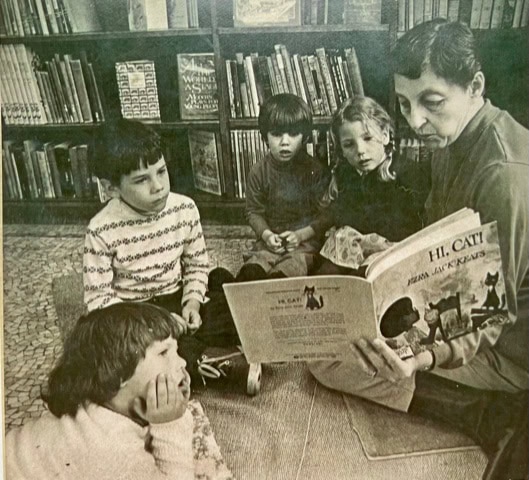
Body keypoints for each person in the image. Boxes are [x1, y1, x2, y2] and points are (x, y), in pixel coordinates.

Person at [308, 19, 528, 479]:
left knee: (332, 360)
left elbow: (493, 314)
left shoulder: (504, 174)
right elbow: (441, 245)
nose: (415, 121)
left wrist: (420, 358)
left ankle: (483, 412)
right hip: (462, 310)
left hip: (510, 348)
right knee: (328, 342)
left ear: (475, 85)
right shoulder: (452, 140)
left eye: (431, 103)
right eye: (405, 104)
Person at [83, 119, 241, 385]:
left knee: (230, 301)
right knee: (104, 344)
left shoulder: (185, 209)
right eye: (141, 180)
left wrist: (191, 302)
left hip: (176, 298)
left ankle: (182, 355)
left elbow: (196, 265)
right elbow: (98, 300)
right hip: (134, 314)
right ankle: (200, 365)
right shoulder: (100, 230)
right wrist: (158, 322)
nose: (158, 186)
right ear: (111, 188)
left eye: (162, 171)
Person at [5, 302, 232, 480]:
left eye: (177, 351)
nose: (182, 362)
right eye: (164, 353)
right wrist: (170, 425)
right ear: (120, 373)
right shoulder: (112, 448)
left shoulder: (100, 404)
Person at [317, 96, 427, 275]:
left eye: (367, 138)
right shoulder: (346, 174)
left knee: (363, 277)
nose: (360, 151)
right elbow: (339, 213)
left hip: (391, 248)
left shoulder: (404, 173)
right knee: (324, 275)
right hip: (355, 247)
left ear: (385, 135)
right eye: (349, 145)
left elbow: (408, 224)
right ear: (342, 151)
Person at [239, 93, 331, 281]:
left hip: (304, 242)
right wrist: (266, 235)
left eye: (293, 134)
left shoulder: (314, 170)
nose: (285, 142)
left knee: (292, 267)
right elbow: (253, 212)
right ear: (265, 136)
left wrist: (300, 235)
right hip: (271, 240)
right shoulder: (258, 171)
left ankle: (280, 279)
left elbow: (326, 215)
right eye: (277, 134)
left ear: (304, 136)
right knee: (256, 264)